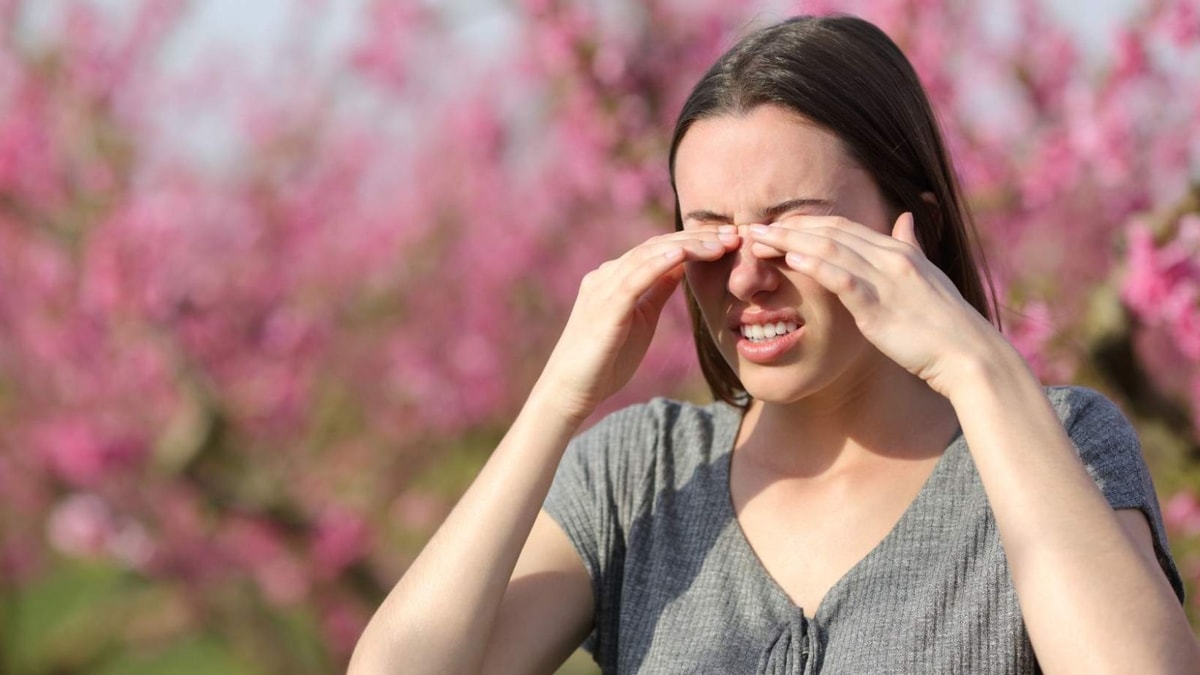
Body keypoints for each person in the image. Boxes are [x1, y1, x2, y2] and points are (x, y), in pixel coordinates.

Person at [349, 15, 1200, 674]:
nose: (749, 276)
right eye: (710, 235)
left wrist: (974, 365)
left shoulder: (1056, 447)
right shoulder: (637, 477)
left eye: (797, 231)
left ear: (914, 229)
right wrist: (557, 399)